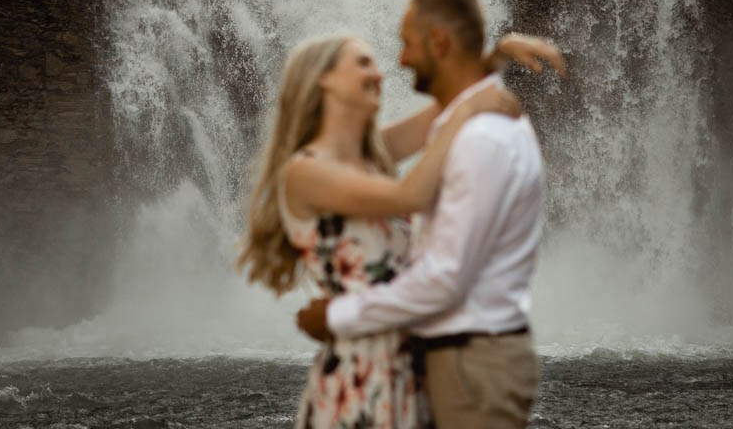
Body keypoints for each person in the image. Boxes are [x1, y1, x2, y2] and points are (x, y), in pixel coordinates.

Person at [237, 25, 561, 429]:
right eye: (363, 63)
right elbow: (412, 195)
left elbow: (440, 115)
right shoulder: (305, 173)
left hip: (415, 369)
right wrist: (468, 111)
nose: (380, 73)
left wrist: (496, 58)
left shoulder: (369, 161)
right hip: (362, 378)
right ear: (323, 78)